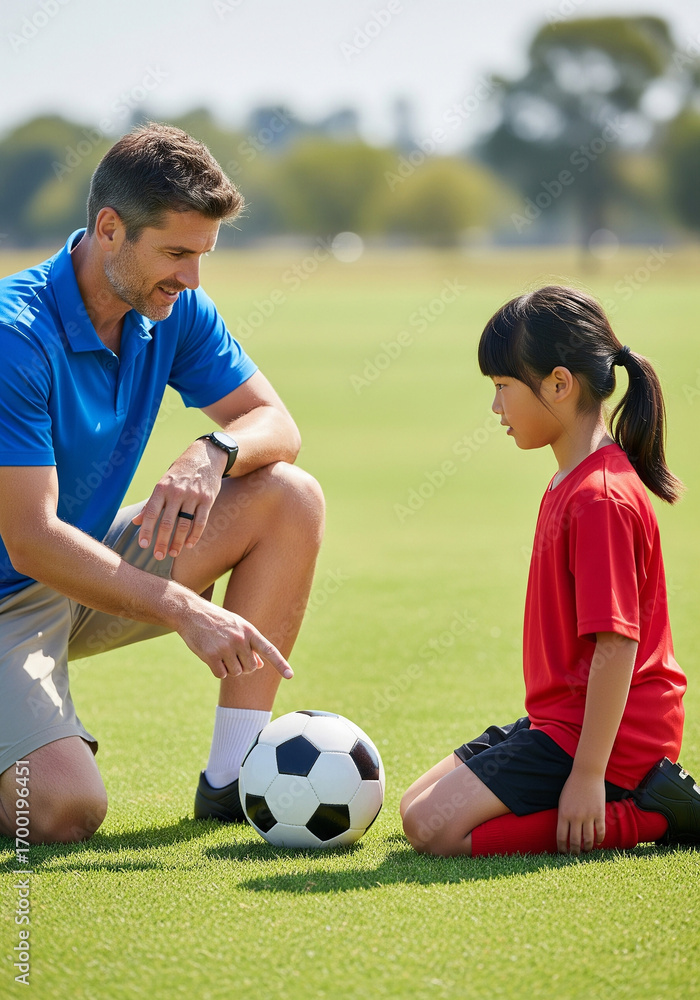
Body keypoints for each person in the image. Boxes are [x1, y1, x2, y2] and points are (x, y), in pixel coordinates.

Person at [0, 123, 325, 844]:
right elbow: (28, 540)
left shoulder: (171, 310)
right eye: (176, 254)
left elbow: (275, 422)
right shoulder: (13, 336)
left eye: (202, 256)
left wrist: (213, 450)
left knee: (289, 495)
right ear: (109, 229)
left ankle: (233, 778)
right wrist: (185, 609)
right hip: (13, 593)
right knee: (63, 809)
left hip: (81, 567)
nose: (192, 280)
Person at [401, 285, 700, 857]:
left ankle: (655, 815)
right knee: (417, 804)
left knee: (436, 832)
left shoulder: (600, 498)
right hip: (561, 718)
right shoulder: (570, 481)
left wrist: (588, 775)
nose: (496, 408)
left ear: (559, 385)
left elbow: (616, 644)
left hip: (616, 739)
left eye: (503, 388)